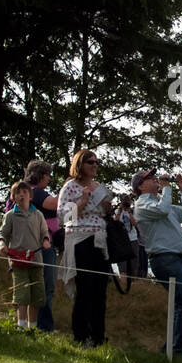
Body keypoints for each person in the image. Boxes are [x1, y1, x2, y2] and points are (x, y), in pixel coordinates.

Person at [133, 169, 182, 357]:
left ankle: (171, 350)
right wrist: (167, 188)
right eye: (150, 178)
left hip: (177, 259)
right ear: (140, 186)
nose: (155, 179)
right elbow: (162, 211)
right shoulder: (142, 206)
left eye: (155, 177)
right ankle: (177, 351)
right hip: (164, 259)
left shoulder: (163, 203)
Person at [57, 149, 113, 348]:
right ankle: (80, 337)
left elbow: (105, 213)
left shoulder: (100, 186)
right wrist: (82, 202)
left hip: (100, 240)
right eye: (90, 162)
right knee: (85, 289)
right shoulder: (70, 187)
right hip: (80, 240)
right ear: (80, 164)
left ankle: (98, 337)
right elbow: (62, 217)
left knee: (100, 291)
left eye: (97, 162)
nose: (95, 165)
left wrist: (107, 208)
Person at [0, 181, 51, 329]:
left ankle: (31, 328)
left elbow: (44, 232)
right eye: (18, 193)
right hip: (17, 260)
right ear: (13, 197)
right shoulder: (10, 216)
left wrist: (46, 240)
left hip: (36, 260)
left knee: (37, 296)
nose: (21, 195)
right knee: (22, 294)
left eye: (25, 192)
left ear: (30, 196)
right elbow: (2, 233)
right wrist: (1, 243)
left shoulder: (38, 214)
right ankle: (20, 327)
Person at [24, 159, 60, 333]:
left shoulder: (25, 191)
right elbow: (55, 204)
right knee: (46, 286)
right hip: (42, 245)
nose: (49, 179)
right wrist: (68, 186)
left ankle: (32, 325)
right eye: (48, 175)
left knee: (39, 286)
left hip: (31, 244)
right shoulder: (35, 192)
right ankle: (44, 328)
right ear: (39, 175)